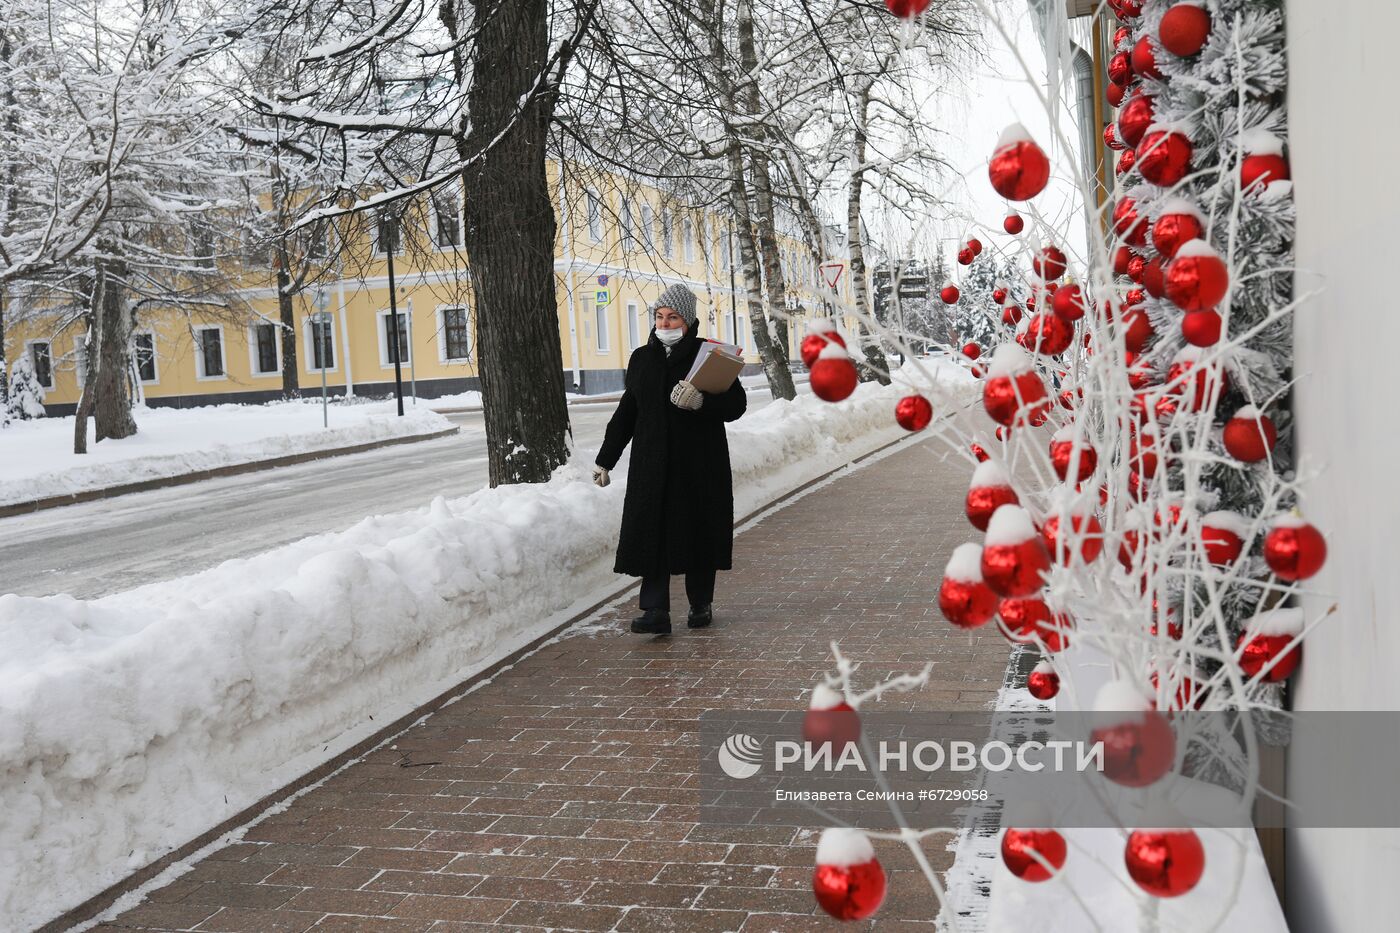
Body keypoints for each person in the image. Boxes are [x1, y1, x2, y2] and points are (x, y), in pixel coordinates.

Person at [592, 283, 747, 635]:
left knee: (698, 533)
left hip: (699, 466)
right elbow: (627, 413)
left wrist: (701, 403)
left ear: (688, 321)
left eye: (672, 317)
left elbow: (736, 406)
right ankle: (655, 610)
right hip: (652, 466)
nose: (665, 323)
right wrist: (606, 459)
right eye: (660, 317)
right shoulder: (642, 359)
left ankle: (700, 603)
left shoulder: (711, 355)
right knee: (653, 534)